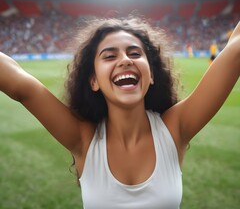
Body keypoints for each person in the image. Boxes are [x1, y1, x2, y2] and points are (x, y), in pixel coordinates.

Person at [0, 18, 239, 209]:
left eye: (135, 53)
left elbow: (235, 50)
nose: (125, 60)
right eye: (110, 56)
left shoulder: (175, 128)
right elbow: (21, 85)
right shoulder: (83, 138)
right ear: (93, 80)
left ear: (151, 75)